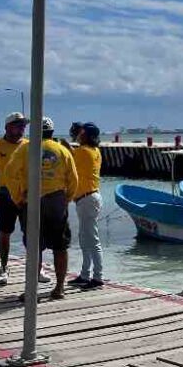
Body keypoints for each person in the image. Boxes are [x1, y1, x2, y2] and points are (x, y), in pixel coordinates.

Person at [5, 117, 78, 300]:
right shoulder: (62, 150)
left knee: (33, 247)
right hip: (56, 200)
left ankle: (32, 290)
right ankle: (59, 287)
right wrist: (67, 198)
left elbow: (9, 173)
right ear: (52, 133)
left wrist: (17, 197)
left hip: (32, 200)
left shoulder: (25, 149)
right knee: (60, 246)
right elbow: (74, 179)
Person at [0, 112, 49, 285]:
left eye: (24, 125)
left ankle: (38, 268)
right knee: (5, 233)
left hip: (26, 194)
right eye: (18, 125)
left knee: (33, 233)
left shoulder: (28, 145)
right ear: (7, 127)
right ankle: (3, 268)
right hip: (5, 195)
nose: (22, 128)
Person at [68, 122, 103, 289]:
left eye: (80, 133)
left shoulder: (82, 152)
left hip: (87, 199)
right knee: (85, 238)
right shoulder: (95, 150)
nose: (78, 135)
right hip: (88, 198)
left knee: (91, 239)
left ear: (85, 135)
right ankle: (84, 274)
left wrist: (66, 147)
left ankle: (97, 277)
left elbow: (68, 159)